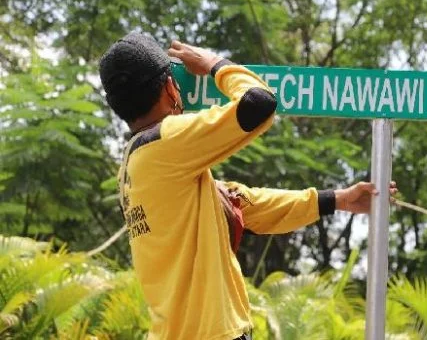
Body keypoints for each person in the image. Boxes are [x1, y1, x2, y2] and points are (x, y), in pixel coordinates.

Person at [98, 32, 397, 340]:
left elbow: (244, 204)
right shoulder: (166, 141)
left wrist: (338, 199)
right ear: (169, 87)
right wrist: (214, 64)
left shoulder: (134, 165)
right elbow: (258, 102)